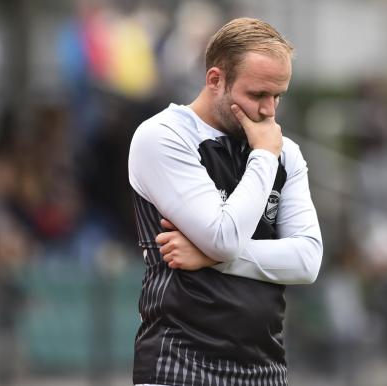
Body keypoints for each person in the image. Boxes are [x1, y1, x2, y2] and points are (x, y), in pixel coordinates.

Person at [128, 17, 323, 386]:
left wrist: (213, 259)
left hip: (265, 368)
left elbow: (307, 260)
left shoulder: (286, 153)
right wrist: (264, 157)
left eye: (277, 96)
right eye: (257, 95)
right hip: (178, 365)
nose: (268, 111)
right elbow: (223, 237)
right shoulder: (163, 136)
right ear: (215, 79)